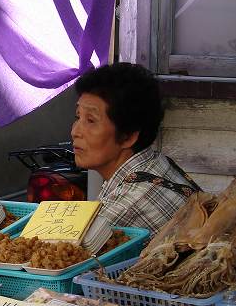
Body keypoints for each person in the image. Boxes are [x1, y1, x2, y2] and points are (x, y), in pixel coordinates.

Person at [71, 62, 200, 236]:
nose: (75, 132)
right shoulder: (155, 163)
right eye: (78, 117)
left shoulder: (126, 206)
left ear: (128, 137)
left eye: (91, 120)